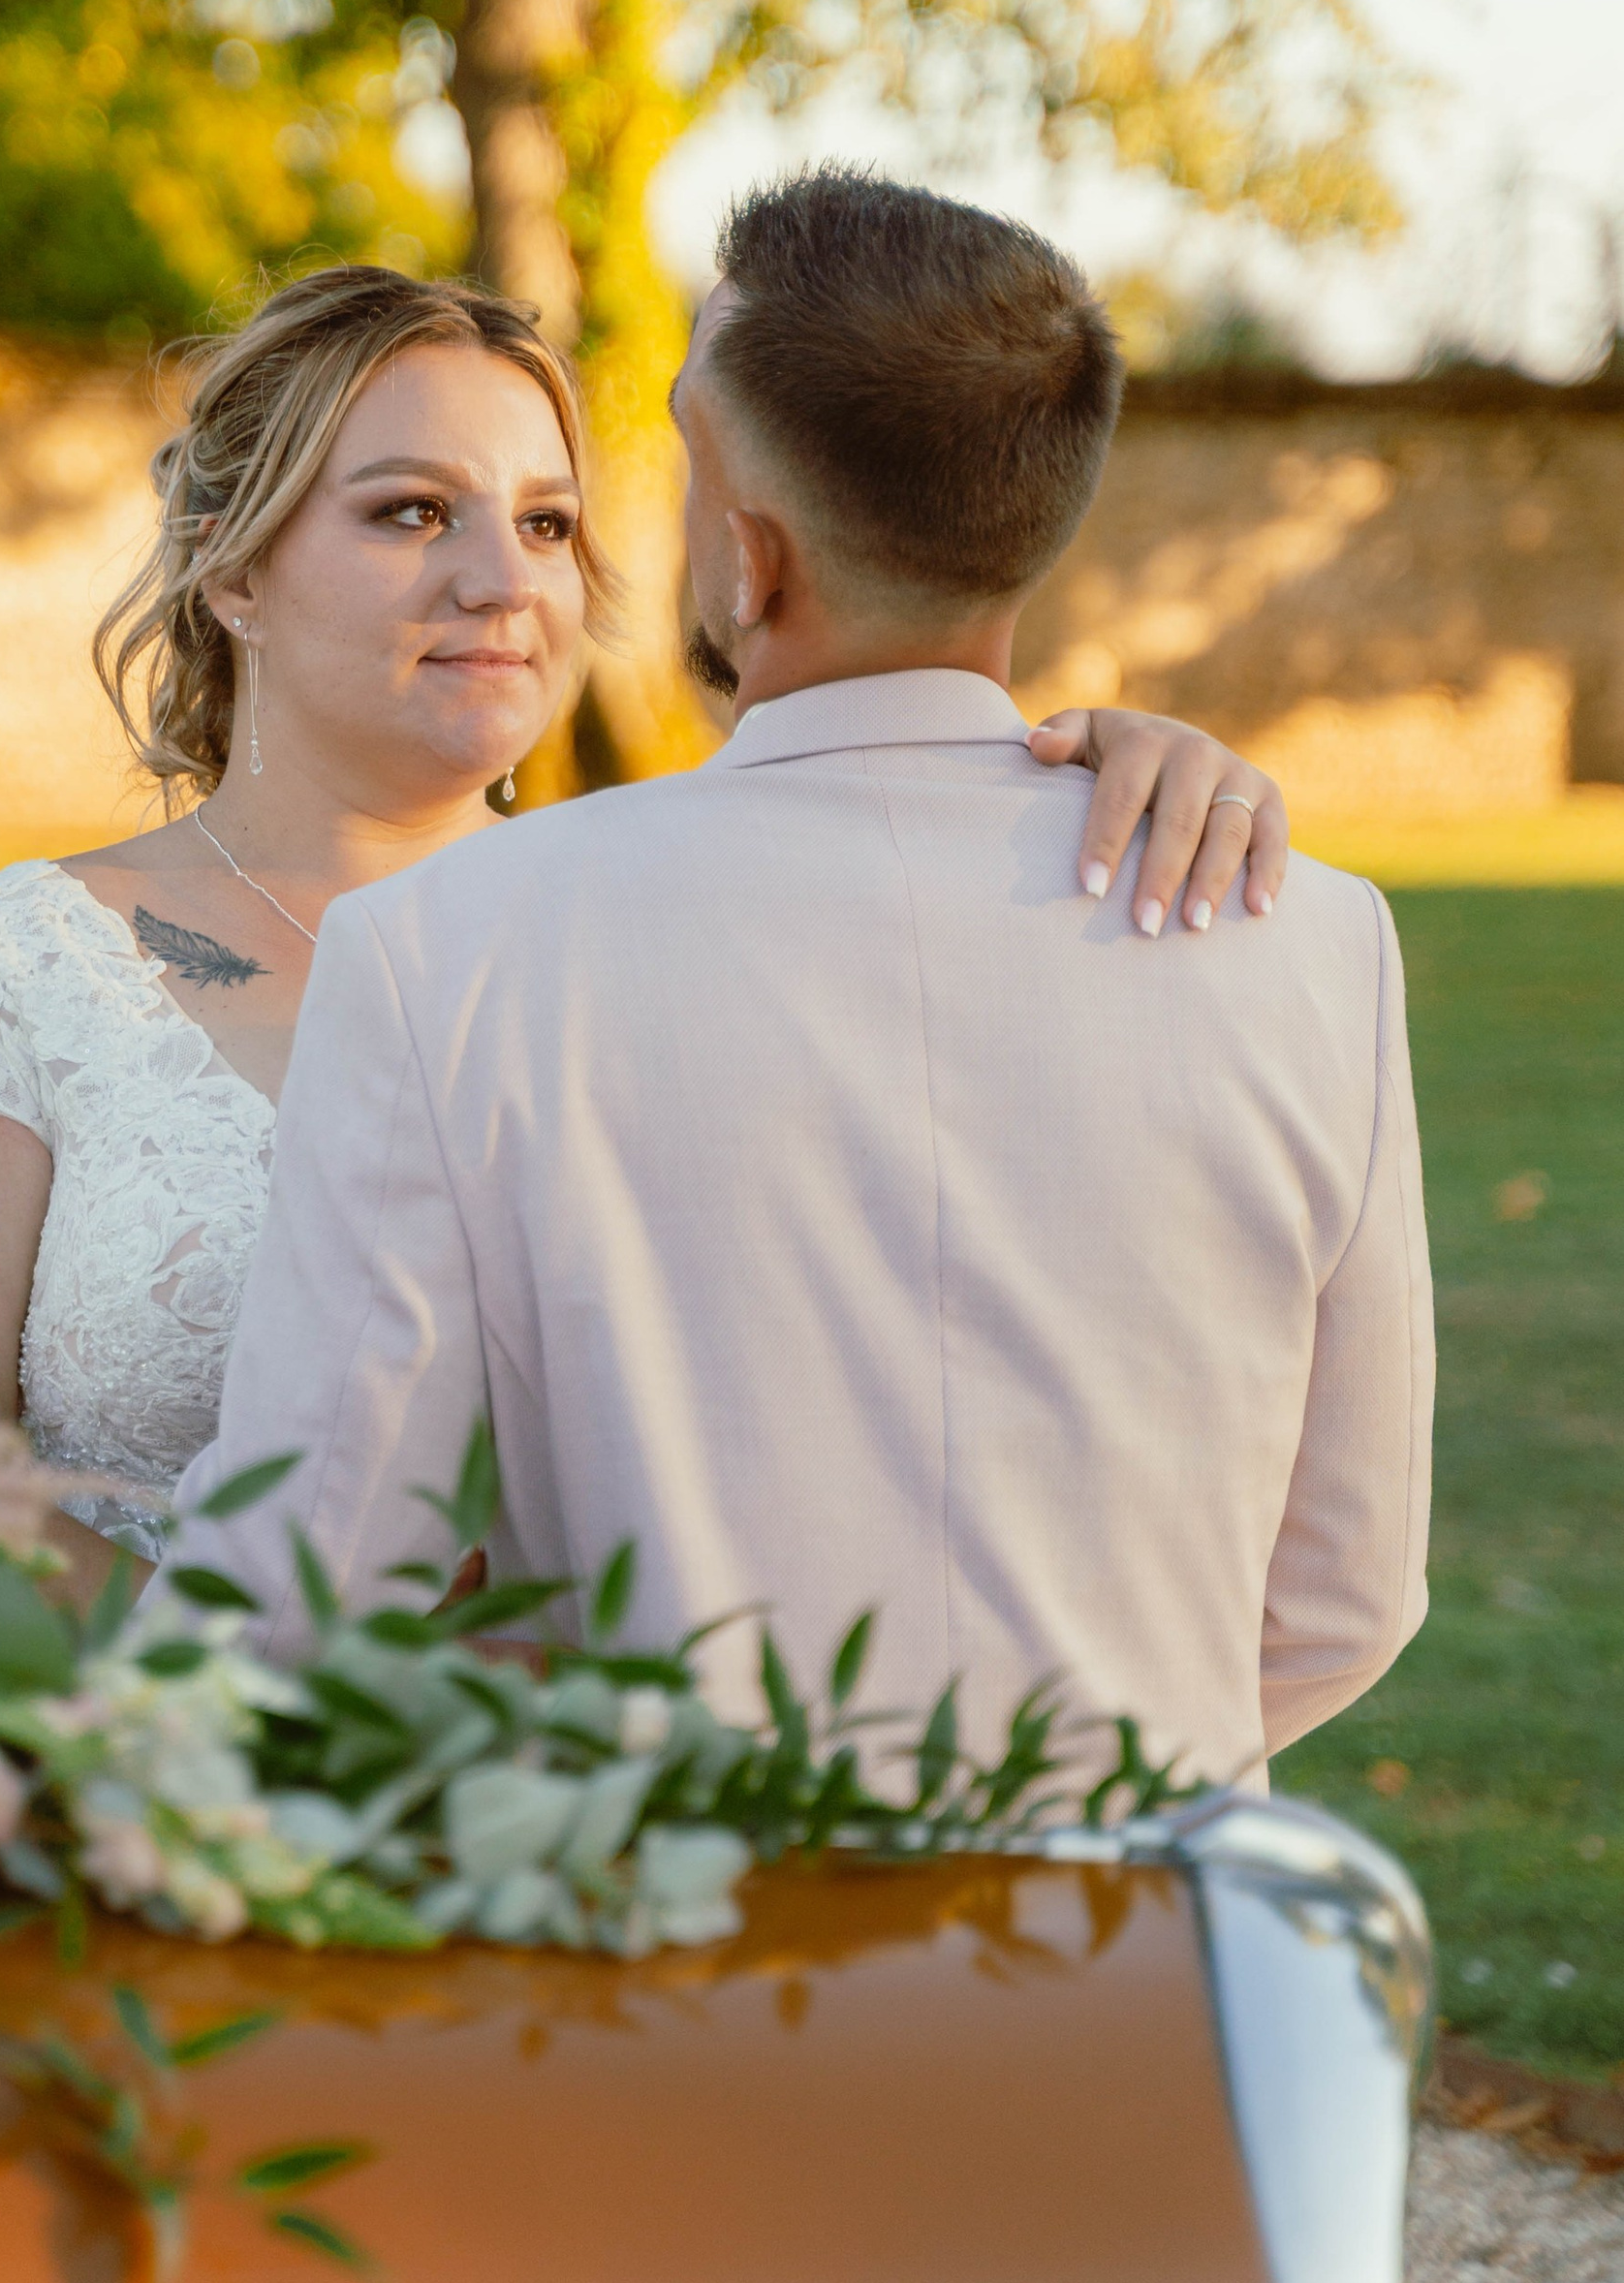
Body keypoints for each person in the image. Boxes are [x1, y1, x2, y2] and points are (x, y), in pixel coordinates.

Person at [156, 184, 1432, 1788]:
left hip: (686, 1979)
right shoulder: (1306, 936)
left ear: (749, 556)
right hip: (1151, 1974)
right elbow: (1346, 1594)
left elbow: (304, 1586)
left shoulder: (457, 945)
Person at [0, 258, 1294, 1598]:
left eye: (545, 522)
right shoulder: (18, 967)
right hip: (151, 1802)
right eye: (411, 512)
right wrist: (293, 1709)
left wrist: (1098, 773)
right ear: (232, 564)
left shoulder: (692, 920)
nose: (502, 581)